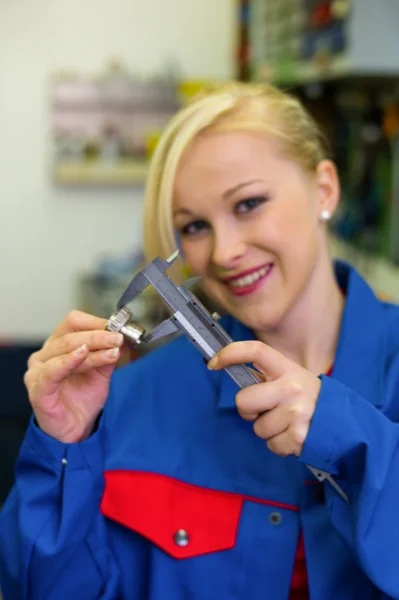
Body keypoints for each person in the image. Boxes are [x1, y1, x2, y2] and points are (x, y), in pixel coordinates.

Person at [1, 82, 399, 600]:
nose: (225, 252)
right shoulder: (129, 400)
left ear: (324, 189)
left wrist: (349, 437)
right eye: (194, 227)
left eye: (249, 203)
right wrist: (63, 449)